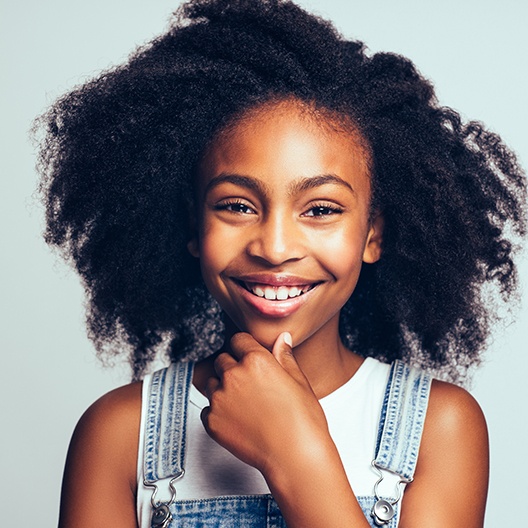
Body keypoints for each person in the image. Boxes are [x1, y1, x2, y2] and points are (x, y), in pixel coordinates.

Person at [35, 0, 526, 526]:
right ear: (193, 228)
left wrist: (296, 455)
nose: (273, 246)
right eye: (236, 206)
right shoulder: (119, 434)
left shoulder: (439, 427)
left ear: (373, 233)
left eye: (320, 209)